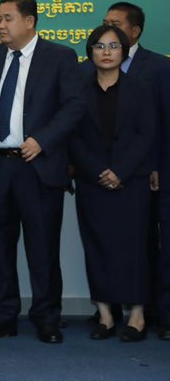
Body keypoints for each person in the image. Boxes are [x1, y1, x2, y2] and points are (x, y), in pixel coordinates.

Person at [0, 0, 83, 344]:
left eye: (8, 18)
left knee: (42, 247)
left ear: (29, 21)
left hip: (36, 166)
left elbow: (74, 107)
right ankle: (2, 316)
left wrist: (43, 139)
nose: (0, 25)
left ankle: (46, 318)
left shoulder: (59, 57)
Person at [71, 25, 154, 342]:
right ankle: (105, 316)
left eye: (114, 46)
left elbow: (147, 134)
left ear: (124, 51)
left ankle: (137, 317)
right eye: (99, 46)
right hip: (92, 181)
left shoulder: (140, 88)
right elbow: (73, 137)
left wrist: (120, 171)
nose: (106, 52)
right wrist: (98, 171)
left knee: (134, 248)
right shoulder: (79, 89)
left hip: (131, 182)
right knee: (97, 246)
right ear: (90, 51)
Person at [100, 2, 170, 340]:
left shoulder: (158, 67)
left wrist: (155, 164)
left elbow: (162, 124)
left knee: (152, 244)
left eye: (116, 24)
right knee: (110, 241)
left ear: (135, 31)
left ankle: (161, 314)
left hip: (147, 171)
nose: (109, 29)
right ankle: (110, 310)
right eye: (105, 23)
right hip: (105, 174)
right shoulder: (93, 67)